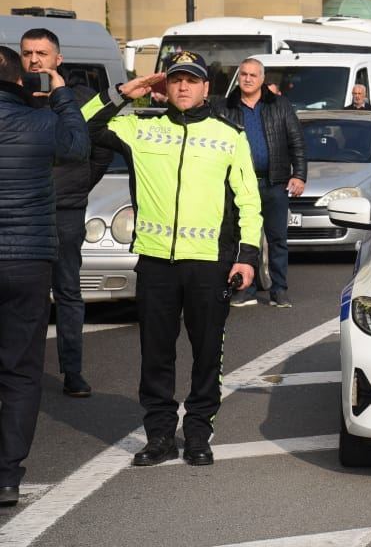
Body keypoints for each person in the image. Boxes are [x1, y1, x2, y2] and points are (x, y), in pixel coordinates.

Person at [82, 51, 262, 467]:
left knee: (205, 353)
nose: (183, 86)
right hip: (156, 262)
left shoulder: (229, 135)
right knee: (156, 353)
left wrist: (247, 256)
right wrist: (128, 91)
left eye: (191, 80)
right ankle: (160, 436)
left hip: (209, 262)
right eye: (176, 79)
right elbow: (82, 125)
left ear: (205, 88)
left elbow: (249, 202)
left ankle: (198, 433)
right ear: (166, 86)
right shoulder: (139, 129)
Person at [0, 46, 89, 507]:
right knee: (19, 370)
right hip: (27, 260)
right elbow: (78, 146)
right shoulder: (40, 123)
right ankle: (8, 475)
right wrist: (61, 95)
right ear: (21, 82)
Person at [20, 28, 113, 398]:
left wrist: (80, 184)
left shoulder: (80, 100)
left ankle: (72, 371)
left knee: (68, 292)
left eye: (42, 53)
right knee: (26, 296)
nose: (34, 59)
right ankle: (24, 373)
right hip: (25, 211)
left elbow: (102, 147)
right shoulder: (14, 98)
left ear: (58, 59)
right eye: (27, 53)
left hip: (66, 211)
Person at [213, 58, 306, 308]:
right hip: (240, 185)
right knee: (243, 238)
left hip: (274, 182)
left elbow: (296, 141)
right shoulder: (224, 107)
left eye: (253, 75)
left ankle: (279, 290)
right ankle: (246, 289)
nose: (248, 79)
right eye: (243, 74)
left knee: (277, 239)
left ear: (262, 79)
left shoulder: (279, 105)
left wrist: (299, 175)